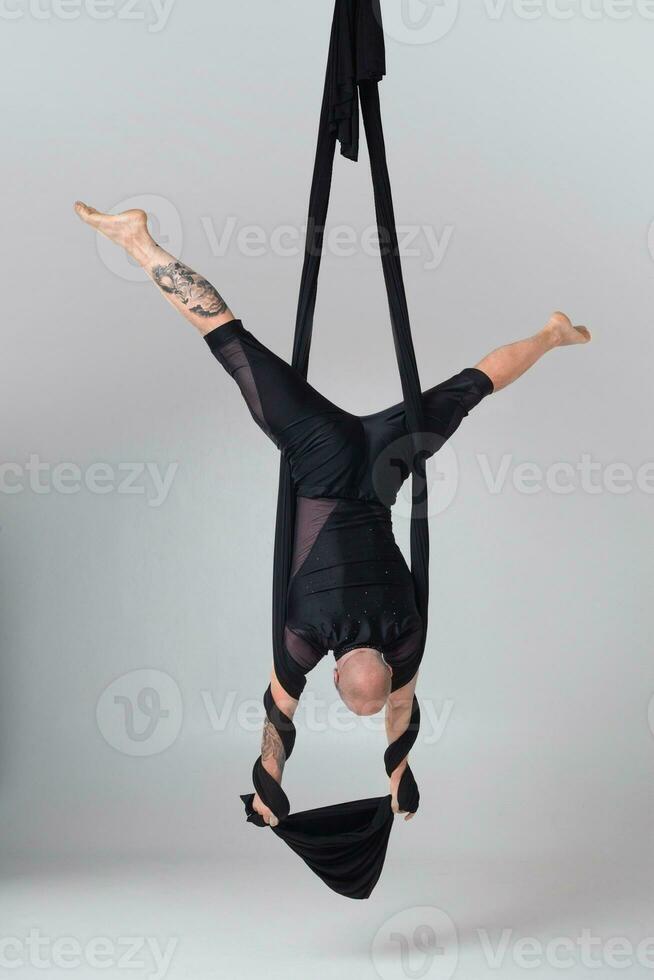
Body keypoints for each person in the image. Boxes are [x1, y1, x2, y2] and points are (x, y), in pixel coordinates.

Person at [75, 201, 591, 826]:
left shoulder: (406, 636)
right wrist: (269, 791)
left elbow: (400, 713)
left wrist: (400, 773)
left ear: (369, 668)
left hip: (382, 464)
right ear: (336, 675)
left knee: (470, 386)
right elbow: (277, 723)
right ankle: (138, 241)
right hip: (319, 457)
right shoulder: (304, 636)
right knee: (231, 344)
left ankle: (552, 332)